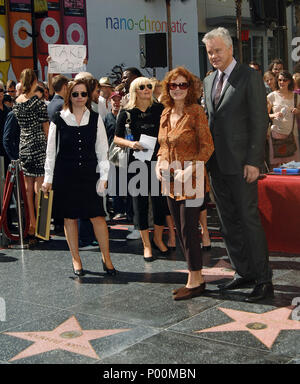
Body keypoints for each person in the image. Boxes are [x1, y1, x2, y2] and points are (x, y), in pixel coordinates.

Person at [202, 27, 273, 303]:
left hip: (243, 165)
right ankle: (243, 271)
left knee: (248, 220)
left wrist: (254, 161)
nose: (214, 56)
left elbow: (259, 121)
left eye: (218, 50)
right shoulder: (209, 81)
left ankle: (264, 279)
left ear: (230, 49)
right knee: (228, 222)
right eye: (210, 52)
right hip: (217, 165)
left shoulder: (249, 77)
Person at [42, 79, 115, 276]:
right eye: (75, 94)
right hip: (66, 175)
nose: (80, 98)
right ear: (69, 96)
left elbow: (102, 149)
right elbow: (50, 151)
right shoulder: (59, 118)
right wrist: (48, 178)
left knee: (98, 217)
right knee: (70, 218)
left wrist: (104, 175)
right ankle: (76, 259)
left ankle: (106, 257)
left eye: (83, 94)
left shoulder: (95, 118)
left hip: (91, 174)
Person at [156, 66, 214, 300]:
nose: (178, 89)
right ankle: (195, 277)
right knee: (180, 230)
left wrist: (188, 170)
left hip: (192, 181)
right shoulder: (165, 113)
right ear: (168, 88)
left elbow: (207, 147)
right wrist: (160, 165)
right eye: (173, 85)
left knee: (189, 230)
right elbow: (162, 145)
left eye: (182, 85)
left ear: (189, 88)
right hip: (170, 181)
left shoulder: (196, 112)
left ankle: (195, 280)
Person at [114, 77, 169, 261]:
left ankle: (159, 239)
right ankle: (146, 245)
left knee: (161, 204)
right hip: (137, 164)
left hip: (158, 162)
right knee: (140, 206)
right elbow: (116, 138)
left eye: (149, 86)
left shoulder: (159, 109)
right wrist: (131, 144)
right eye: (142, 87)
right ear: (135, 90)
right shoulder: (127, 112)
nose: (147, 89)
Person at [13, 69, 49, 240]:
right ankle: (41, 227)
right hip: (39, 145)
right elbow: (46, 128)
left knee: (28, 188)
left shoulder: (16, 102)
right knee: (39, 187)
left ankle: (31, 224)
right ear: (34, 81)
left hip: (24, 145)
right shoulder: (38, 103)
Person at [267, 70, 300, 167]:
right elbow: (264, 114)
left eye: (285, 80)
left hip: (292, 135)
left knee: (295, 166)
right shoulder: (271, 96)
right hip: (276, 134)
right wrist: (274, 115)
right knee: (275, 166)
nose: (282, 82)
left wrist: (298, 111)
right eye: (280, 80)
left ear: (289, 81)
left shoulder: (296, 97)